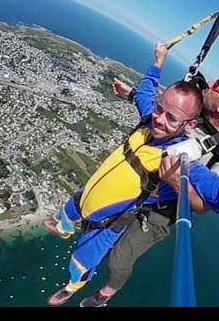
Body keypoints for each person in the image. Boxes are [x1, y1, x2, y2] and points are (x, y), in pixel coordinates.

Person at [78, 41, 219, 307]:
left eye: (216, 85)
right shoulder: (193, 109)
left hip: (161, 209)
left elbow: (204, 206)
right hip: (138, 186)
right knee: (95, 218)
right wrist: (132, 94)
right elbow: (162, 115)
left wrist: (177, 183)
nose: (208, 83)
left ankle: (106, 293)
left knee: (119, 259)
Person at [43, 79, 204, 306]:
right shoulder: (150, 123)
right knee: (70, 209)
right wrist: (157, 65)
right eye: (160, 109)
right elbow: (144, 97)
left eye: (172, 118)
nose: (160, 118)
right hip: (90, 194)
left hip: (110, 221)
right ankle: (64, 227)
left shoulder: (177, 159)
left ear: (189, 125)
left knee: (81, 263)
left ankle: (71, 288)